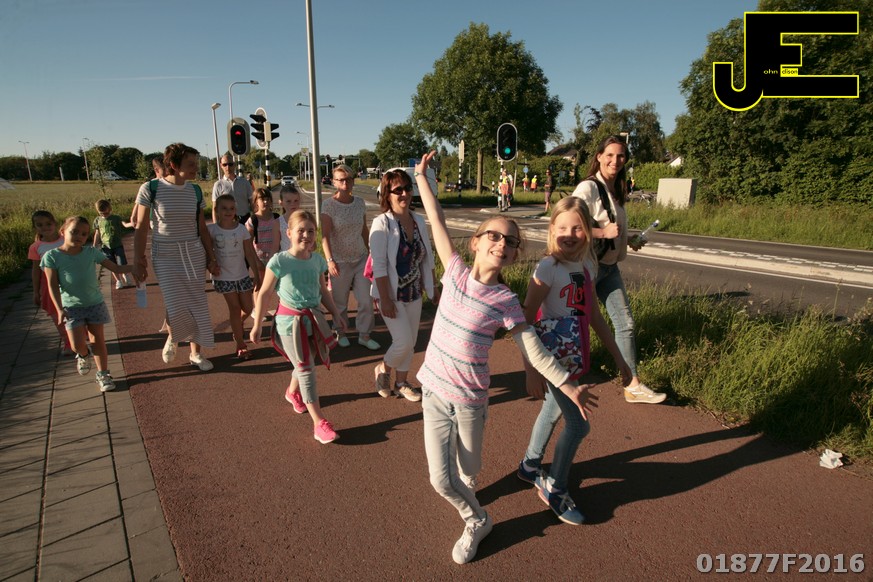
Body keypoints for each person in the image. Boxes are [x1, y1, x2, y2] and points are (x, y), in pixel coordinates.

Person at [413, 151, 592, 564]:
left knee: (470, 468)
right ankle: (477, 520)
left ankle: (469, 482)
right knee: (441, 481)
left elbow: (533, 349)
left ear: (513, 255)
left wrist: (566, 384)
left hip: (471, 403)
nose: (502, 243)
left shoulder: (506, 300)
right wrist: (422, 177)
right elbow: (436, 221)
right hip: (434, 393)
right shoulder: (454, 271)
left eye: (510, 241)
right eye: (494, 235)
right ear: (476, 242)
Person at [517, 196, 632, 525]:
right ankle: (555, 487)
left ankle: (530, 465)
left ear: (589, 231)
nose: (570, 234)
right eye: (563, 227)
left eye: (578, 228)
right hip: (552, 358)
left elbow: (594, 315)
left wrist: (620, 359)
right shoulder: (547, 268)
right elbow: (525, 319)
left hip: (573, 354)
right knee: (579, 424)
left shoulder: (586, 267)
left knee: (552, 410)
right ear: (552, 229)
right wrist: (530, 370)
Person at [572, 135, 666, 404]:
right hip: (588, 267)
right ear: (599, 157)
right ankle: (563, 377)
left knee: (625, 324)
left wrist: (628, 240)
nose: (615, 160)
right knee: (578, 323)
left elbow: (612, 227)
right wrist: (603, 232)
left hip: (609, 268)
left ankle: (632, 384)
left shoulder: (617, 189)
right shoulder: (588, 188)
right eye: (610, 155)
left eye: (621, 156)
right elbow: (567, 223)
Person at [249, 210, 348, 444]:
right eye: (300, 230)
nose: (306, 235)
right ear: (289, 233)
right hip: (289, 323)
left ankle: (292, 392)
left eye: (310, 231)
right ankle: (319, 423)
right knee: (306, 369)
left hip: (313, 319)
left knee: (306, 361)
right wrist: (256, 325)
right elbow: (264, 293)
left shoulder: (317, 261)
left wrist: (336, 314)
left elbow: (322, 291)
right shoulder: (279, 261)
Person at [132, 143, 218, 372]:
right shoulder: (150, 188)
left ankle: (196, 354)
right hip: (165, 254)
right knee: (175, 302)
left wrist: (211, 257)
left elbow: (202, 227)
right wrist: (138, 260)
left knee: (196, 303)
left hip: (193, 253)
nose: (196, 168)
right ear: (173, 164)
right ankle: (173, 335)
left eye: (196, 163)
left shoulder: (195, 191)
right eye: (190, 164)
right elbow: (141, 226)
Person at [42, 216, 134, 392]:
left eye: (84, 234)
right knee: (76, 345)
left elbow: (115, 268)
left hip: (95, 304)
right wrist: (59, 309)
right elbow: (52, 285)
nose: (79, 236)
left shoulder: (91, 252)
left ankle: (103, 374)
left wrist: (134, 267)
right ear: (63, 232)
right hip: (71, 307)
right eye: (74, 232)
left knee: (98, 340)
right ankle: (83, 354)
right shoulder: (52, 256)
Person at [369, 169, 436, 402]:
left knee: (412, 342)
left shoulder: (418, 220)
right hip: (391, 294)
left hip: (414, 292)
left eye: (408, 188)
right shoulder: (382, 224)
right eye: (398, 190)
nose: (404, 194)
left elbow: (427, 256)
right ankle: (383, 369)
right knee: (403, 342)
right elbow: (379, 265)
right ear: (387, 195)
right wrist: (385, 299)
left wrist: (433, 286)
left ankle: (402, 382)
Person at [322, 164, 379, 350]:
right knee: (340, 302)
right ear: (334, 182)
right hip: (339, 261)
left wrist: (371, 252)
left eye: (347, 179)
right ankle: (340, 331)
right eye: (340, 180)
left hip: (360, 258)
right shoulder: (328, 205)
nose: (344, 183)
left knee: (366, 300)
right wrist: (330, 260)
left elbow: (363, 229)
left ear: (353, 181)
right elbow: (325, 236)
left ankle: (364, 335)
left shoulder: (359, 203)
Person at [208, 194, 261, 360]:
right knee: (235, 308)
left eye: (231, 208)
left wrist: (256, 274)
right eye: (224, 208)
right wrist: (211, 264)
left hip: (242, 275)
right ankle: (240, 344)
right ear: (216, 210)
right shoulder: (212, 230)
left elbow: (249, 253)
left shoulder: (241, 230)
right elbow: (207, 252)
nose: (228, 211)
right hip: (223, 277)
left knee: (248, 308)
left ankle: (237, 324)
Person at [28, 210, 70, 354]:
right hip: (49, 285)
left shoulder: (66, 239)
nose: (45, 227)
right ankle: (67, 342)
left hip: (69, 281)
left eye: (48, 223)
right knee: (57, 314)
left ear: (55, 223)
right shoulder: (35, 247)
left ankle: (80, 336)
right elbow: (36, 271)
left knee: (75, 310)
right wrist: (36, 292)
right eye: (40, 225)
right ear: (35, 227)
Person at [93, 199, 133, 289]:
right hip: (105, 246)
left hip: (117, 244)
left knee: (122, 263)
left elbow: (124, 224)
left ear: (110, 209)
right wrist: (95, 245)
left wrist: (131, 224)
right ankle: (118, 281)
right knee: (112, 265)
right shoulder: (97, 220)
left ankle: (125, 274)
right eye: (102, 213)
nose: (104, 215)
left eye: (106, 213)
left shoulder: (116, 218)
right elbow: (97, 233)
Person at [212, 154, 253, 224]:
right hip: (226, 221)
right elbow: (214, 208)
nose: (228, 167)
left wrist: (256, 221)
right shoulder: (218, 185)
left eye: (230, 164)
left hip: (245, 221)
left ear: (234, 165)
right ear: (221, 166)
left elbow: (252, 202)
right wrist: (215, 226)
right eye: (225, 165)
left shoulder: (244, 182)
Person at [130, 156, 165, 229]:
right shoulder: (151, 185)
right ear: (156, 170)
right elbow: (139, 202)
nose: (167, 172)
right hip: (155, 220)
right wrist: (133, 216)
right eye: (164, 170)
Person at [277, 184, 302, 252]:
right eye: (288, 201)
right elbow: (275, 247)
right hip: (285, 257)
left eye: (296, 200)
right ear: (281, 203)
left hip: (303, 256)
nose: (293, 204)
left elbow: (313, 245)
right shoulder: (278, 222)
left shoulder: (305, 219)